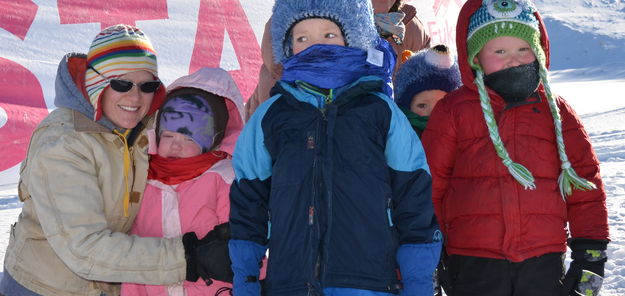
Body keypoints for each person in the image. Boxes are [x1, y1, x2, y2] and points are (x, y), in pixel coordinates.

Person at [228, 0, 441, 295]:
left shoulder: (379, 111)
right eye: (302, 38)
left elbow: (414, 199)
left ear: (352, 38)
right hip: (290, 284)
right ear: (288, 46)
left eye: (329, 35)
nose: (316, 46)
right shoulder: (272, 115)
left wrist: (418, 283)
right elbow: (248, 204)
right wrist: (246, 280)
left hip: (369, 284)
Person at [0, 25, 229, 296]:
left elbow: (205, 125)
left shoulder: (141, 126)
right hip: (46, 287)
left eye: (147, 86)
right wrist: (190, 257)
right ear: (98, 84)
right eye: (121, 84)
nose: (135, 97)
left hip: (110, 286)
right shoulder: (64, 143)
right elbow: (86, 250)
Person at [421, 1, 610, 296]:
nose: (514, 60)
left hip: (543, 262)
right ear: (476, 58)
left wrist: (591, 254)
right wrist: (425, 253)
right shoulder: (453, 111)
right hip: (473, 262)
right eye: (500, 51)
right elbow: (430, 183)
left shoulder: (556, 111)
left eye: (524, 49)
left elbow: (586, 184)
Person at [120, 67, 245, 296]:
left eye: (189, 138)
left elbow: (244, 245)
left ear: (213, 140)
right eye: (168, 136)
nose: (175, 146)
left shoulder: (225, 178)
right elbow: (133, 255)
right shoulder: (142, 180)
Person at [243, 0, 431, 120]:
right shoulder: (318, 10)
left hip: (368, 141)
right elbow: (276, 36)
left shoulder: (412, 30)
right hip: (299, 133)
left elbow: (424, 91)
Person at [393, 44, 461, 137]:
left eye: (442, 104)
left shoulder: (462, 134)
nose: (432, 112)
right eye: (422, 105)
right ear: (406, 107)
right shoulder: (400, 136)